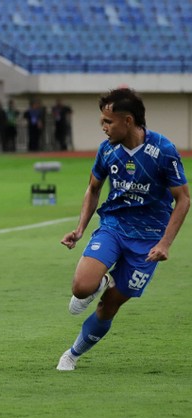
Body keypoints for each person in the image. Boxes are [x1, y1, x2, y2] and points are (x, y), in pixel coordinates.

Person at [56, 88, 190, 371]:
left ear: (128, 120)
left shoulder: (163, 151)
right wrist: (80, 229)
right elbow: (93, 189)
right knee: (81, 289)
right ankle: (103, 280)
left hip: (149, 241)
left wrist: (165, 243)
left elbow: (183, 199)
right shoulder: (107, 150)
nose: (103, 128)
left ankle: (73, 354)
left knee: (108, 307)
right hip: (114, 226)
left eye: (108, 122)